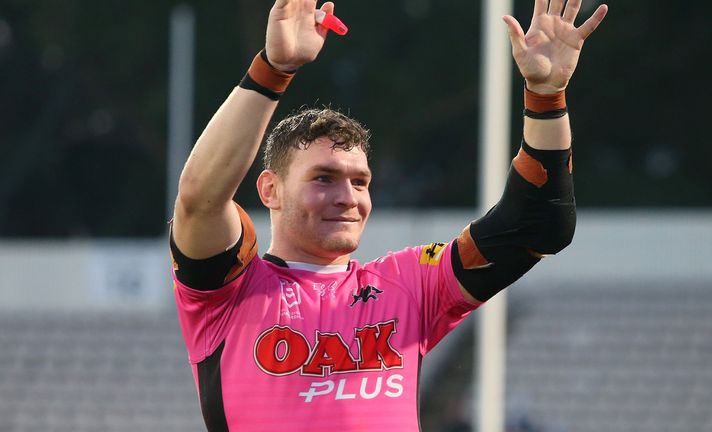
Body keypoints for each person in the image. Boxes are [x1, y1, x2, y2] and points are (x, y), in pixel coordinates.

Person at [169, 0, 607, 430]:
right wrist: (273, 70)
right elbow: (199, 200)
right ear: (270, 190)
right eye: (324, 178)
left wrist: (546, 96)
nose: (347, 197)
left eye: (360, 182)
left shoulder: (409, 285)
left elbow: (538, 224)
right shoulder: (230, 289)